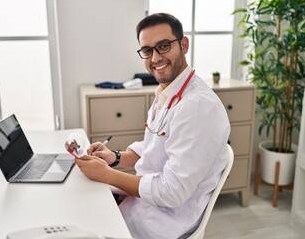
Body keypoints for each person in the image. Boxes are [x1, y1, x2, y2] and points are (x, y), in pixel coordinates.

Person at [75, 13, 230, 239]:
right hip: (140, 205)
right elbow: (154, 149)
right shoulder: (168, 92)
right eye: (147, 50)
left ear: (183, 44)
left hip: (160, 223)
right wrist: (114, 158)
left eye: (164, 46)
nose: (155, 57)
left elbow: (171, 192)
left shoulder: (198, 107)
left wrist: (107, 174)